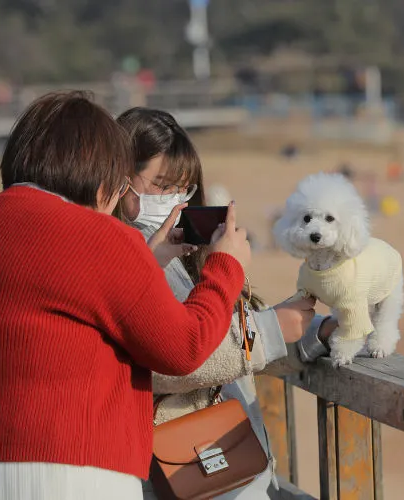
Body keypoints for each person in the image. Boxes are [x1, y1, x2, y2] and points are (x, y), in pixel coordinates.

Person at [0, 92, 252, 500]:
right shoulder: (105, 239)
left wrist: (145, 262)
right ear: (97, 174)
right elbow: (184, 348)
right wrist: (225, 268)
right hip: (82, 473)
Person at [115, 108, 338, 500]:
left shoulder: (182, 253)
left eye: (184, 188)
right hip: (187, 473)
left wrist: (310, 335)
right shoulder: (117, 256)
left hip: (232, 470)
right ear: (119, 179)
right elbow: (167, 358)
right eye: (162, 184)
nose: (175, 199)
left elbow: (234, 350)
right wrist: (268, 329)